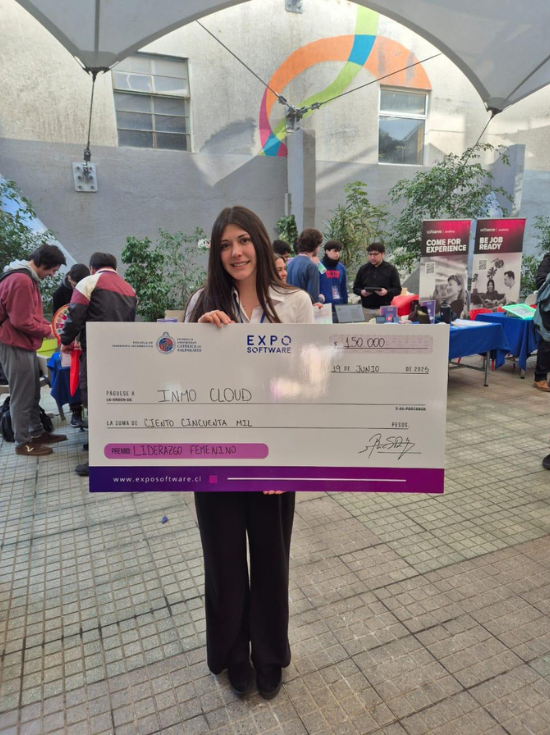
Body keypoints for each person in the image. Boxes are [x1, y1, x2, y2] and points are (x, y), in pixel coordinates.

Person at [185, 205, 314, 700]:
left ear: (259, 242)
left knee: (271, 559)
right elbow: (181, 383)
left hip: (273, 458)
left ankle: (270, 655)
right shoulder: (202, 302)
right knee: (222, 561)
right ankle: (232, 654)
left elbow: (309, 382)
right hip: (216, 456)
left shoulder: (294, 302)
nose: (235, 252)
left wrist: (290, 459)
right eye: (225, 245)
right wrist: (198, 339)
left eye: (243, 241)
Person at [60, 252, 137, 476]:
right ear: (115, 268)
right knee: (115, 401)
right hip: (122, 355)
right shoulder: (129, 289)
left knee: (94, 402)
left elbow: (74, 315)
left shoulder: (88, 282)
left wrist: (66, 340)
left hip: (96, 353)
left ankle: (100, 459)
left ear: (92, 268)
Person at [0, 244, 67, 456]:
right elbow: (21, 321)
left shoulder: (26, 277)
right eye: (53, 270)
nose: (52, 275)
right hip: (14, 343)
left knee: (32, 391)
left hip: (23, 342)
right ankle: (23, 443)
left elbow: (30, 315)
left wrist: (51, 325)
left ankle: (37, 433)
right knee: (22, 394)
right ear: (43, 263)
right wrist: (47, 331)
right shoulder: (21, 280)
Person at [52, 263, 91, 427]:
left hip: (86, 339)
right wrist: (65, 340)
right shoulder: (59, 294)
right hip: (67, 340)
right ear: (69, 278)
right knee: (69, 374)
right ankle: (75, 412)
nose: (78, 289)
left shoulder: (90, 289)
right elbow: (58, 321)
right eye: (75, 286)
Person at [353, 242, 401, 320]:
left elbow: (397, 289)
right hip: (366, 309)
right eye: (370, 254)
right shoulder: (363, 269)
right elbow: (355, 288)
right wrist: (362, 292)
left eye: (375, 254)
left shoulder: (391, 269)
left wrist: (386, 292)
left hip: (384, 309)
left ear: (382, 254)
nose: (372, 257)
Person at [285, 228, 323, 303]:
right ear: (315, 246)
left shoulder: (291, 263)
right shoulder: (311, 266)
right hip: (304, 307)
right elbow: (313, 299)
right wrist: (321, 298)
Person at [534, 253, 550, 392]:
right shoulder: (547, 261)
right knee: (546, 343)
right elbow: (540, 283)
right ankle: (540, 378)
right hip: (547, 310)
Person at [319, 240, 348, 316]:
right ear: (327, 251)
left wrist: (345, 305)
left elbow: (343, 289)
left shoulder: (341, 268)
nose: (337, 254)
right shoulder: (319, 266)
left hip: (339, 306)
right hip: (323, 306)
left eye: (338, 251)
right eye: (335, 251)